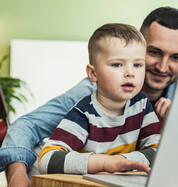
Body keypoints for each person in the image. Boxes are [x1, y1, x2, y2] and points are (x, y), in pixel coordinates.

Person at [0, 6, 178, 187]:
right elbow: (27, 126)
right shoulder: (89, 97)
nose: (163, 67)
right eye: (154, 52)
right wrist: (17, 173)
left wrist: (174, 133)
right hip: (76, 174)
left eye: (176, 57)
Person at [38, 23, 161, 176]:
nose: (130, 73)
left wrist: (123, 161)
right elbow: (46, 159)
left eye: (137, 64)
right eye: (117, 64)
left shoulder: (141, 105)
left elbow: (160, 152)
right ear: (93, 74)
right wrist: (105, 163)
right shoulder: (83, 113)